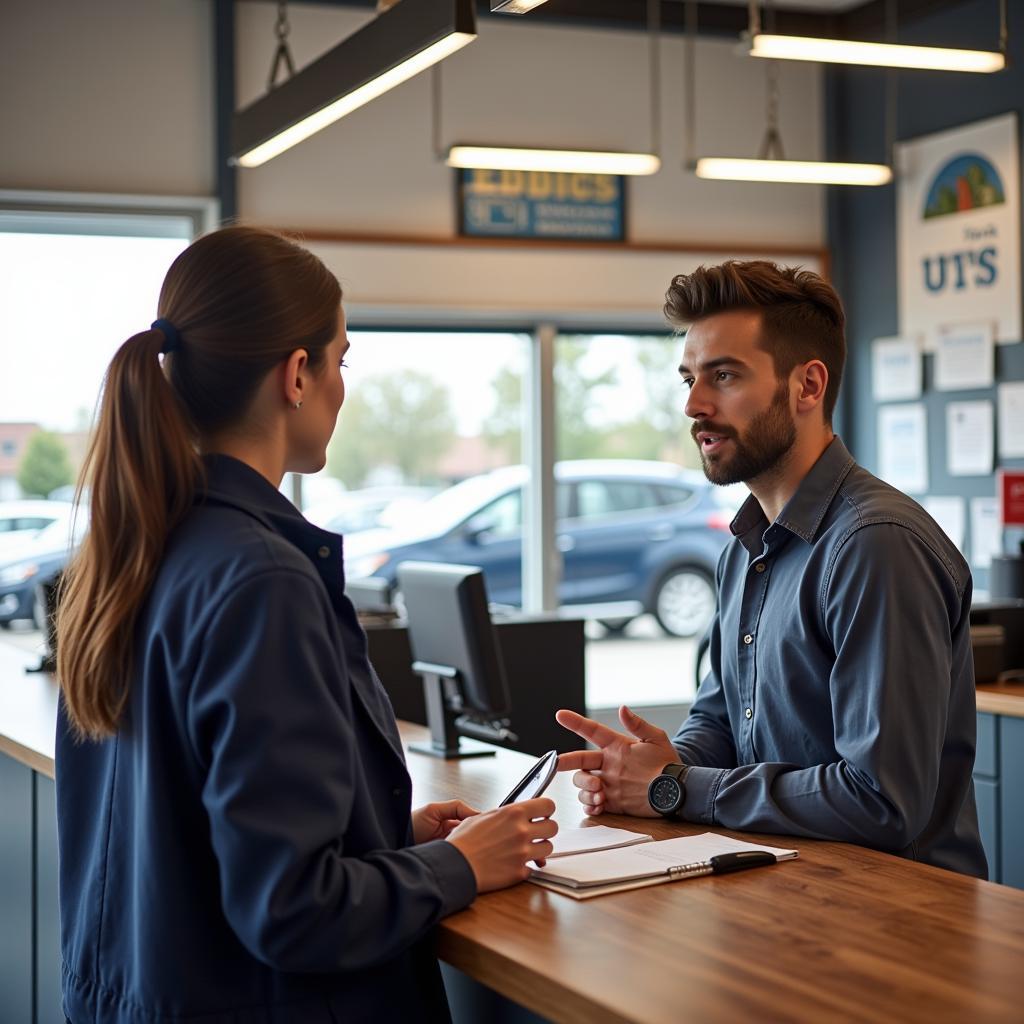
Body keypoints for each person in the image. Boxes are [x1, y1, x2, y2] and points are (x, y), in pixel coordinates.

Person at [55, 226, 557, 1024]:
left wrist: (388, 829)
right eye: (342, 359)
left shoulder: (143, 544)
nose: (341, 383)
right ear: (297, 374)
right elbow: (293, 911)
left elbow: (195, 816)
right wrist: (456, 869)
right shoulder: (262, 578)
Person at [556, 260, 987, 878]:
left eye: (724, 376)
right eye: (688, 379)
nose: (694, 405)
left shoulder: (875, 545)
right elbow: (723, 718)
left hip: (898, 921)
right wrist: (650, 765)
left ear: (807, 386)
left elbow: (882, 802)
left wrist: (675, 788)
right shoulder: (745, 544)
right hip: (783, 894)